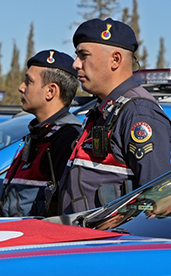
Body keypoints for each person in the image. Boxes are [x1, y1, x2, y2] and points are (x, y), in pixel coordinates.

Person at [59, 18, 171, 213]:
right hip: (82, 238)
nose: (76, 64)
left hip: (113, 242)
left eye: (83, 55)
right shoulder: (103, 110)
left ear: (115, 59)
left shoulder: (138, 114)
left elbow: (161, 204)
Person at [0, 50, 82, 217]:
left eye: (28, 82)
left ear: (50, 91)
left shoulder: (68, 139)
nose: (21, 87)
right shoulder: (39, 134)